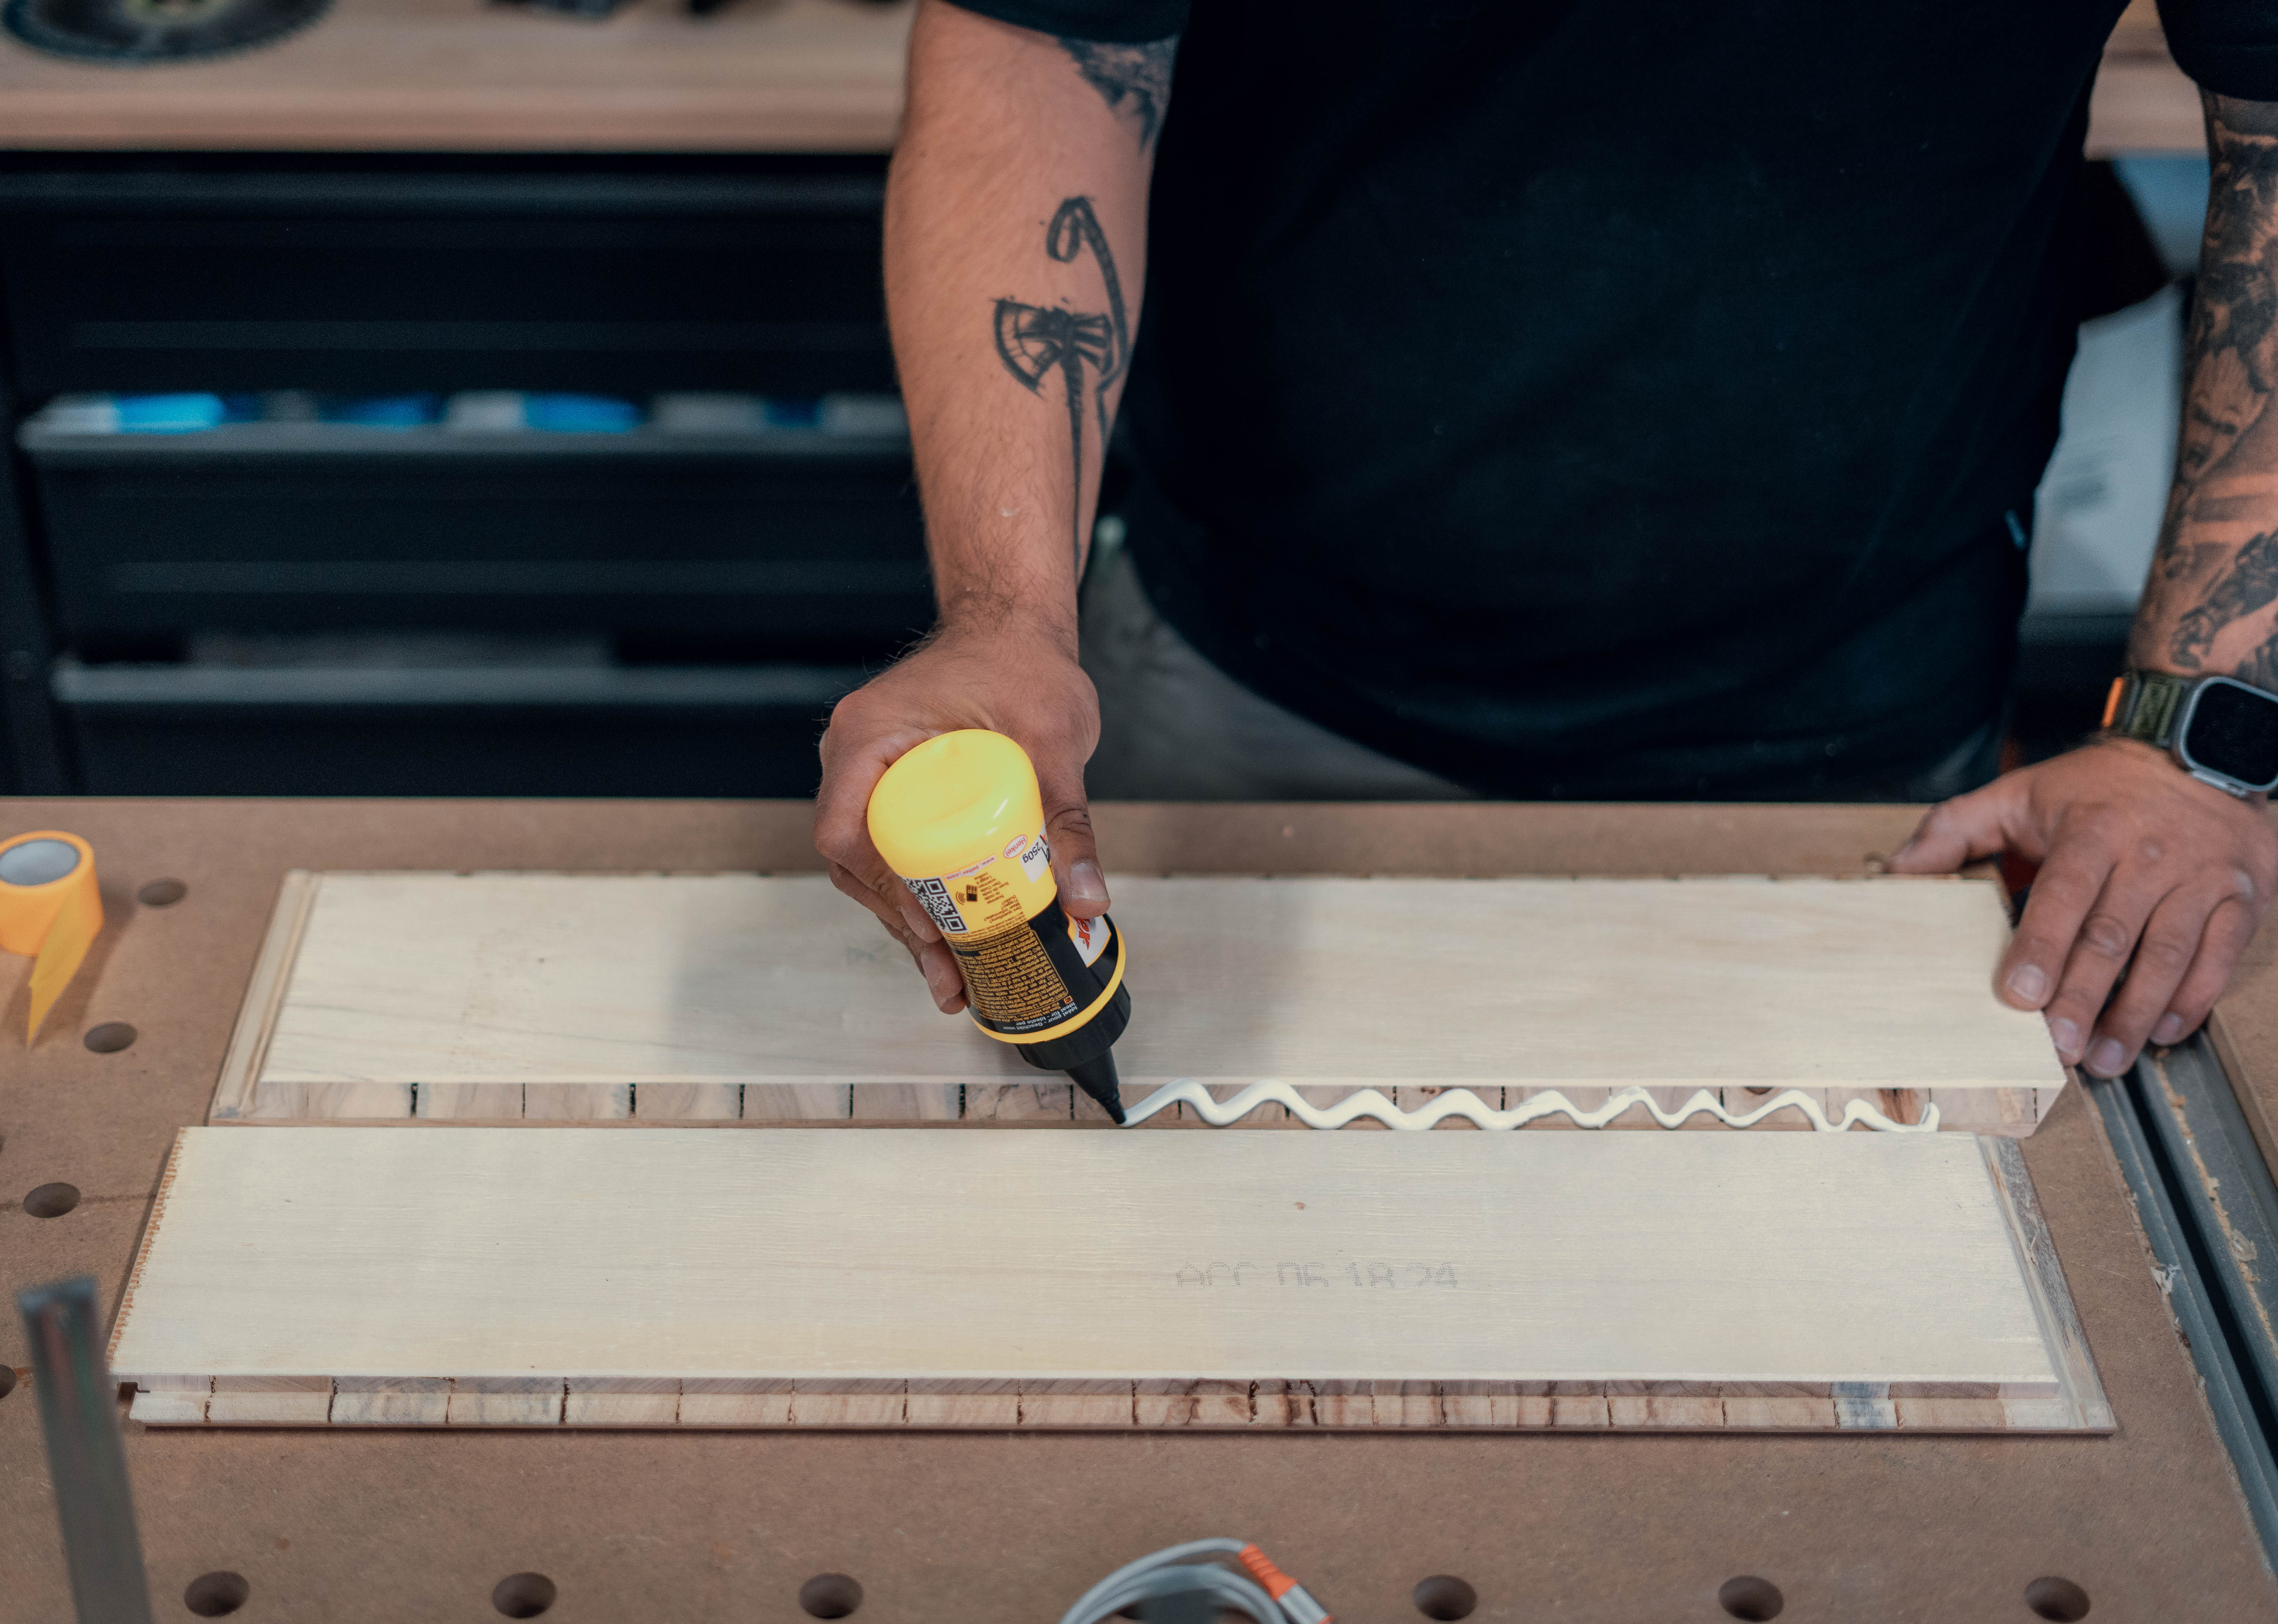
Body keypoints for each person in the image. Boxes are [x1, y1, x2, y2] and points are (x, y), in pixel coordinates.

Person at [814, 0, 2278, 1082]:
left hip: (1865, 754)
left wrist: (2200, 741)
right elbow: (1044, 45)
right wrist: (1007, 614)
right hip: (1257, 678)